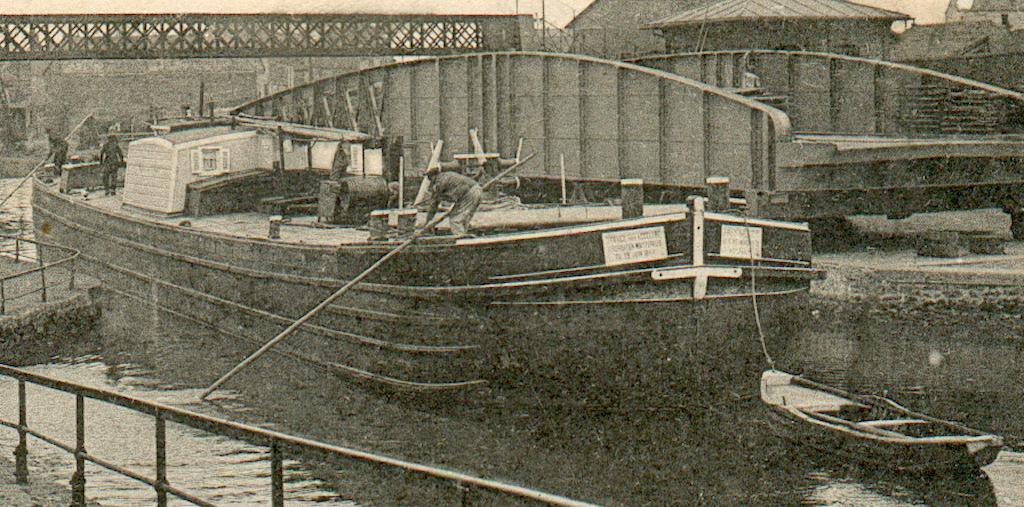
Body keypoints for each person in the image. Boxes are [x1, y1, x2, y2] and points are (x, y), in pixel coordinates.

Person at [421, 166, 482, 237]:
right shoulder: (447, 175)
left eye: (429, 177)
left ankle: (460, 238)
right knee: (463, 217)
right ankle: (464, 235)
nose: (429, 180)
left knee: (455, 219)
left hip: (469, 194)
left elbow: (434, 204)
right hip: (476, 190)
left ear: (433, 176)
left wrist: (428, 221)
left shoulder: (439, 182)